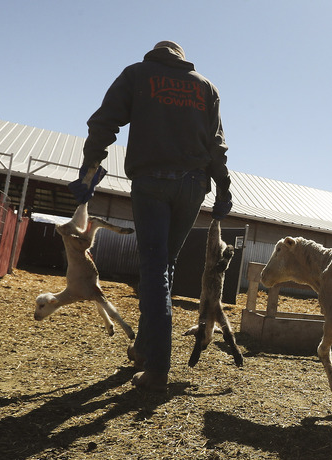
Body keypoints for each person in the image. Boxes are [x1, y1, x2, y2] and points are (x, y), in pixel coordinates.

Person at [69, 40, 232, 392]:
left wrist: (90, 165)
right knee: (165, 266)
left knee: (155, 267)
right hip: (193, 184)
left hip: (152, 181)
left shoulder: (138, 75)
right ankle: (144, 350)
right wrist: (224, 188)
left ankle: (158, 368)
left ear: (157, 54)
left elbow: (104, 122)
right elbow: (216, 144)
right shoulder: (206, 87)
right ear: (182, 59)